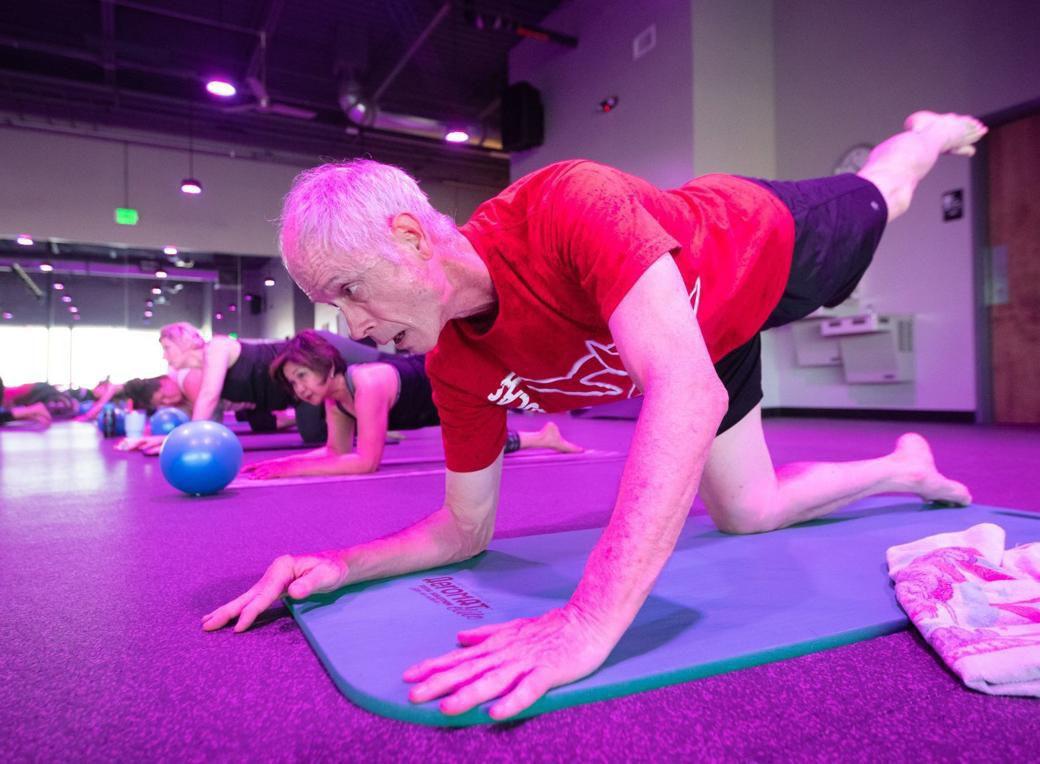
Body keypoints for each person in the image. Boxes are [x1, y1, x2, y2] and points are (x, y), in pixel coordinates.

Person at [204, 110, 985, 720]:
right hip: (708, 345)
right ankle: (903, 467)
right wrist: (346, 562)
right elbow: (462, 529)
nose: (348, 327)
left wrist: (587, 619)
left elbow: (682, 390)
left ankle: (923, 136)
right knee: (748, 512)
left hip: (764, 247)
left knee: (895, 190)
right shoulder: (454, 364)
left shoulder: (566, 205)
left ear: (410, 237)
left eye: (347, 289)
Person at [239, 329, 582, 479]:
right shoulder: (336, 399)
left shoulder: (367, 383)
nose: (299, 389)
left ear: (328, 367)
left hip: (455, 379)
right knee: (478, 446)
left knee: (483, 441)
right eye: (293, 382)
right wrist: (282, 463)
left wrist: (291, 470)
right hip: (432, 409)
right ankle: (544, 437)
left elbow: (365, 463)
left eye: (301, 375)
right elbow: (334, 453)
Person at [119, 322, 380, 454]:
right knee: (313, 435)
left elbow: (208, 400)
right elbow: (207, 420)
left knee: (391, 367)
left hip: (316, 353)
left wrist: (181, 441)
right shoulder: (201, 376)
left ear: (188, 340)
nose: (165, 356)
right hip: (300, 394)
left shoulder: (217, 347)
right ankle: (375, 426)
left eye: (167, 347)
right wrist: (165, 440)